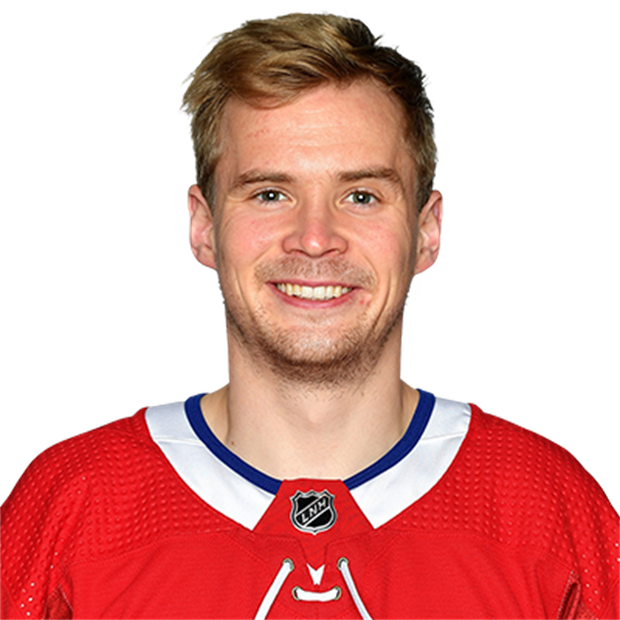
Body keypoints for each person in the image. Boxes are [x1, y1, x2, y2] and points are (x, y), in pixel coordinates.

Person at [1, 11, 618, 620]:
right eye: (271, 193)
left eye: (361, 196)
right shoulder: (71, 505)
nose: (316, 238)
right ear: (204, 226)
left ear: (427, 231)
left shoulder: (550, 509)